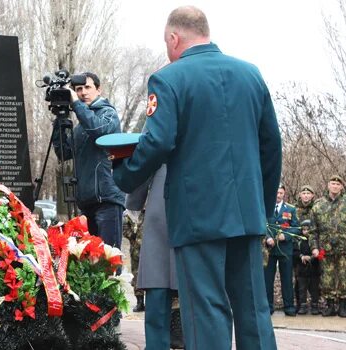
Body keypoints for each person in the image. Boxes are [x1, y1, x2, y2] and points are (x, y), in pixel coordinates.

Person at [112, 6, 280, 349]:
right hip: (246, 217)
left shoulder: (169, 78)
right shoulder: (250, 74)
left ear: (174, 37)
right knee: (254, 311)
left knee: (206, 311)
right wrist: (260, 208)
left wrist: (125, 176)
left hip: (197, 216)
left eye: (166, 42)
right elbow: (271, 147)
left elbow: (157, 141)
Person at [52, 72, 125, 249]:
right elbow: (64, 152)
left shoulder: (108, 114)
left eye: (87, 87)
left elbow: (99, 131)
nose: (83, 93)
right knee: (91, 264)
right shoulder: (81, 125)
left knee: (109, 261)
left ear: (99, 90)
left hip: (107, 199)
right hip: (86, 202)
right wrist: (60, 119)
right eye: (78, 89)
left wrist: (76, 105)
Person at [126, 165, 184, 349]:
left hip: (162, 199)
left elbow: (149, 151)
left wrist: (133, 201)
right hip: (197, 198)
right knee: (197, 292)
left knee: (158, 283)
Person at [310, 175, 346, 317]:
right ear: (328, 185)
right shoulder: (318, 205)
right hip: (325, 249)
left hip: (344, 249)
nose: (334, 186)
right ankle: (329, 306)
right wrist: (314, 247)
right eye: (332, 183)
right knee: (327, 278)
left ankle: (343, 307)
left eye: (337, 184)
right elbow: (313, 230)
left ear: (341, 187)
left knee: (344, 278)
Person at [264, 185, 299, 316]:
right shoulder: (265, 208)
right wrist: (267, 238)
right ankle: (268, 307)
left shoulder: (291, 209)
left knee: (287, 279)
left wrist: (286, 235)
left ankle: (289, 307)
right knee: (268, 280)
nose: (278, 195)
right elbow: (262, 224)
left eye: (280, 193)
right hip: (269, 250)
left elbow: (297, 228)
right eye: (276, 192)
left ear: (284, 194)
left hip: (285, 249)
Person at [294, 185, 316, 311]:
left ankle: (315, 304)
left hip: (314, 248)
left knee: (315, 279)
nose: (306, 195)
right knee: (298, 279)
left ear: (312, 195)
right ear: (300, 195)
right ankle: (300, 304)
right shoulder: (294, 209)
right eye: (304, 193)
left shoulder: (317, 208)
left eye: (309, 193)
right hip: (298, 248)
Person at [293, 220, 321, 315]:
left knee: (314, 288)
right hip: (301, 269)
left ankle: (315, 306)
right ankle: (302, 305)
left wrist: (312, 257)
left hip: (314, 268)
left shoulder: (316, 240)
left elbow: (321, 252)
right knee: (302, 288)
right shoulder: (298, 240)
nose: (306, 232)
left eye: (308, 229)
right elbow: (295, 251)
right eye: (304, 229)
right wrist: (301, 256)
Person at [125, 209, 146, 312]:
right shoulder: (128, 214)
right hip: (135, 250)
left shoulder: (148, 212)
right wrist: (132, 236)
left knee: (150, 274)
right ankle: (140, 301)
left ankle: (151, 300)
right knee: (136, 275)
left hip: (149, 247)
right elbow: (125, 229)